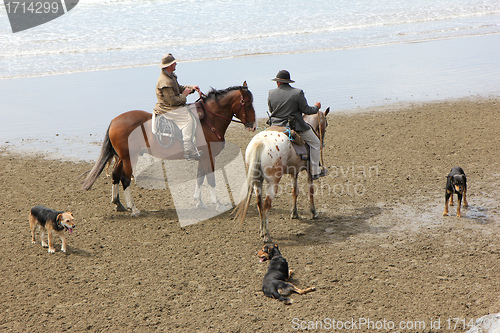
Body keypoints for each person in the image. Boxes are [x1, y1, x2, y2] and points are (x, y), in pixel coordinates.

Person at [268, 70, 327, 180]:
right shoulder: (298, 92)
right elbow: (307, 110)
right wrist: (317, 107)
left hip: (274, 126)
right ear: (288, 82)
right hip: (294, 126)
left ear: (278, 82)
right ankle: (315, 171)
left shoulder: (271, 93)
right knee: (316, 142)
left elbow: (271, 110)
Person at [154, 53, 201, 159]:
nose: (176, 64)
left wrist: (192, 88)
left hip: (172, 105)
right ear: (170, 65)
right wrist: (184, 96)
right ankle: (188, 150)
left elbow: (179, 88)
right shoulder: (165, 81)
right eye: (174, 63)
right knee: (188, 121)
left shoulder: (170, 76)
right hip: (167, 108)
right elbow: (173, 101)